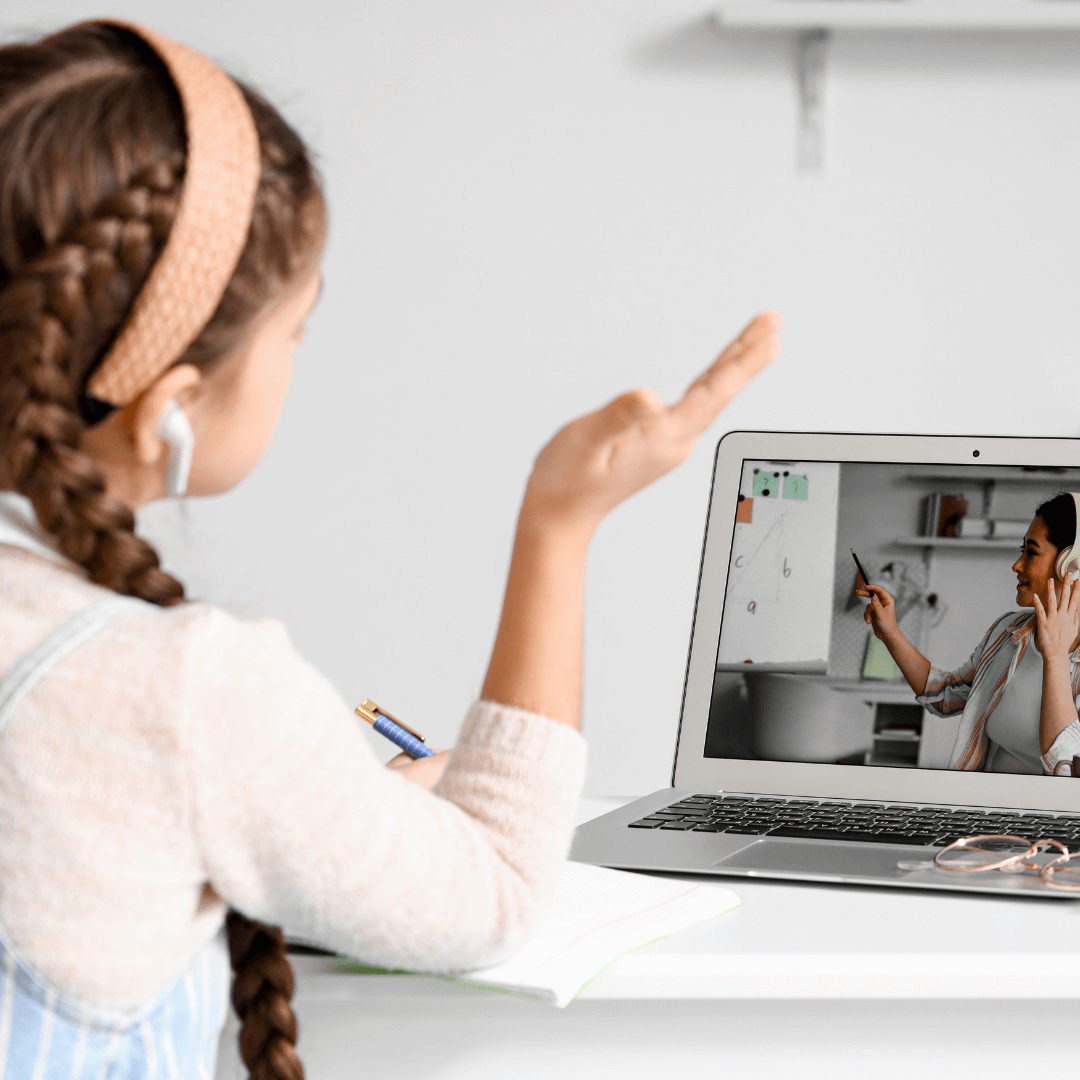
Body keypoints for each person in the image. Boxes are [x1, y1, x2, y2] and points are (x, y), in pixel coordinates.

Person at [0, 21, 782, 1079]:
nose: (297, 356)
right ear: (171, 410)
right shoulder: (183, 693)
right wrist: (560, 522)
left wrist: (341, 810)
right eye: (295, 329)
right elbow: (492, 895)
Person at [860, 492, 1080, 775]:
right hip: (986, 807)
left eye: (1031, 551)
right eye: (1020, 550)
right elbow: (944, 694)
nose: (1016, 564)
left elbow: (1069, 771)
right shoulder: (1007, 633)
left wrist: (1056, 658)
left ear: (1071, 567)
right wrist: (890, 632)